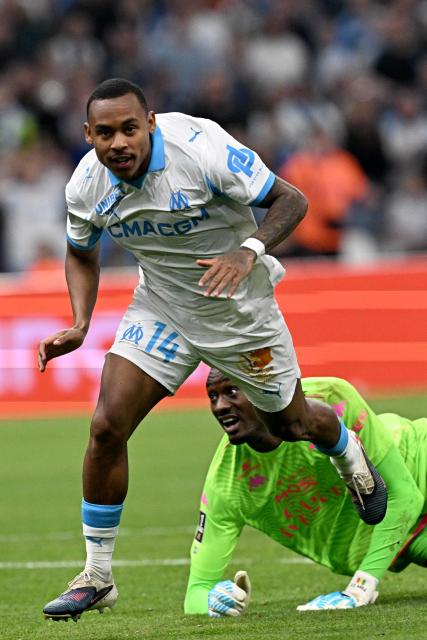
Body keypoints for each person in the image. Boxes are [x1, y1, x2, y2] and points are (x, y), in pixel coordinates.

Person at [38, 78, 386, 621]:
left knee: (289, 426)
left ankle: (345, 448)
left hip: (238, 309)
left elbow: (291, 200)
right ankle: (98, 574)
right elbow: (80, 252)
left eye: (130, 128)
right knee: (107, 426)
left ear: (150, 122)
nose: (119, 143)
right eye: (104, 133)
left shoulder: (202, 149)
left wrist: (247, 252)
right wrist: (81, 322)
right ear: (89, 135)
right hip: (164, 309)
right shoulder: (86, 185)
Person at [184, 371, 427, 617]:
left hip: (419, 459)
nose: (220, 406)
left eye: (232, 392)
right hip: (399, 539)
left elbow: (405, 496)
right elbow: (196, 593)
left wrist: (359, 589)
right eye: (213, 396)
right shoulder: (226, 484)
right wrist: (214, 601)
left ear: (261, 388)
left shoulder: (329, 398)